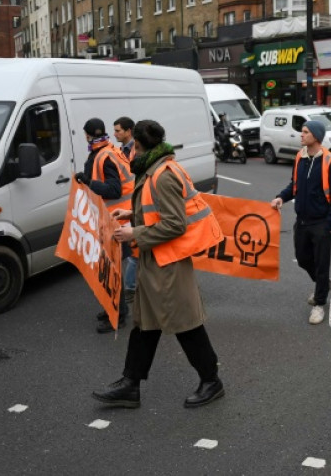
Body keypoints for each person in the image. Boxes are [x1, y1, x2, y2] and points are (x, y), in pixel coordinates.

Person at [92, 120, 226, 409]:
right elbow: (158, 211)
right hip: (156, 259)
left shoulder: (162, 175)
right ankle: (130, 384)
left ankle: (211, 380)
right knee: (145, 324)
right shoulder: (155, 168)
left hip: (169, 262)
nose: (129, 153)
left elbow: (175, 224)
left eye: (132, 148)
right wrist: (132, 214)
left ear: (140, 147)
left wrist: (134, 233)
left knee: (185, 325)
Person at [271, 120, 331, 324]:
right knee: (303, 259)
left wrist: (329, 226)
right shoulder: (300, 157)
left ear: (316, 136)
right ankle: (323, 283)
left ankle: (319, 304)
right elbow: (294, 185)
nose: (301, 135)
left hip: (321, 222)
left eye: (305, 132)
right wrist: (281, 197)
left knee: (321, 264)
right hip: (302, 220)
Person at [76, 118, 135, 333]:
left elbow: (114, 190)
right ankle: (114, 308)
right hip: (116, 219)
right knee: (112, 268)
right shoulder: (106, 150)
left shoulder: (104, 156)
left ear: (88, 135)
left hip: (116, 221)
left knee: (112, 269)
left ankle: (117, 315)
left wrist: (88, 182)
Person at [113, 116, 138, 306]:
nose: (115, 134)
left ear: (129, 131)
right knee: (133, 252)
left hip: (134, 207)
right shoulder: (121, 151)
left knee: (135, 253)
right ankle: (131, 287)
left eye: (118, 130)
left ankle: (130, 287)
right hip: (129, 209)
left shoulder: (135, 151)